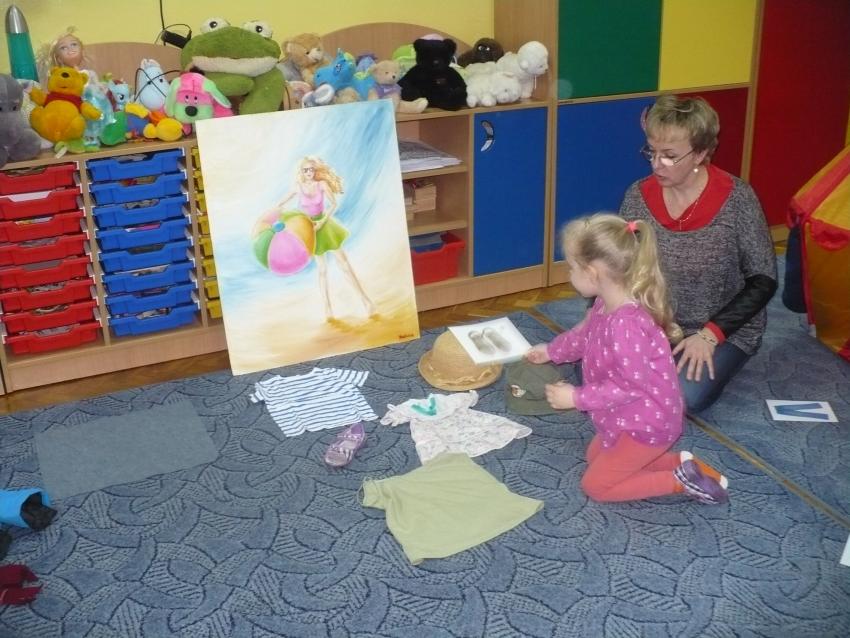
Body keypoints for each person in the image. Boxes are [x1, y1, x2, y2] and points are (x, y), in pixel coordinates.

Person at [527, 213, 728, 504]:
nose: (569, 274)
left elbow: (629, 386)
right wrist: (551, 351)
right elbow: (583, 337)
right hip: (623, 414)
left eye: (571, 267)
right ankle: (681, 463)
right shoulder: (604, 304)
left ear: (592, 273)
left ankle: (678, 481)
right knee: (594, 456)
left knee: (596, 486)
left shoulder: (627, 326)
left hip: (647, 423)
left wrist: (576, 397)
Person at [620, 95, 777, 413]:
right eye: (651, 151)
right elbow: (618, 263)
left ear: (701, 153)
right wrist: (600, 316)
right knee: (594, 366)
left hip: (719, 330)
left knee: (681, 398)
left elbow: (763, 279)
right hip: (655, 322)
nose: (656, 164)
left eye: (669, 156)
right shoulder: (638, 195)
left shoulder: (737, 199)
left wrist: (710, 334)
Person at [257, 156, 375, 320]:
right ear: (302, 172)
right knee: (322, 269)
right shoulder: (298, 187)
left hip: (324, 226)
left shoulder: (322, 184)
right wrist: (273, 218)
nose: (309, 172)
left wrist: (322, 222)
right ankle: (328, 309)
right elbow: (280, 204)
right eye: (305, 170)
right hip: (309, 229)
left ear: (314, 170)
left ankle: (366, 301)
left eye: (311, 169)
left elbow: (333, 205)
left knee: (344, 264)